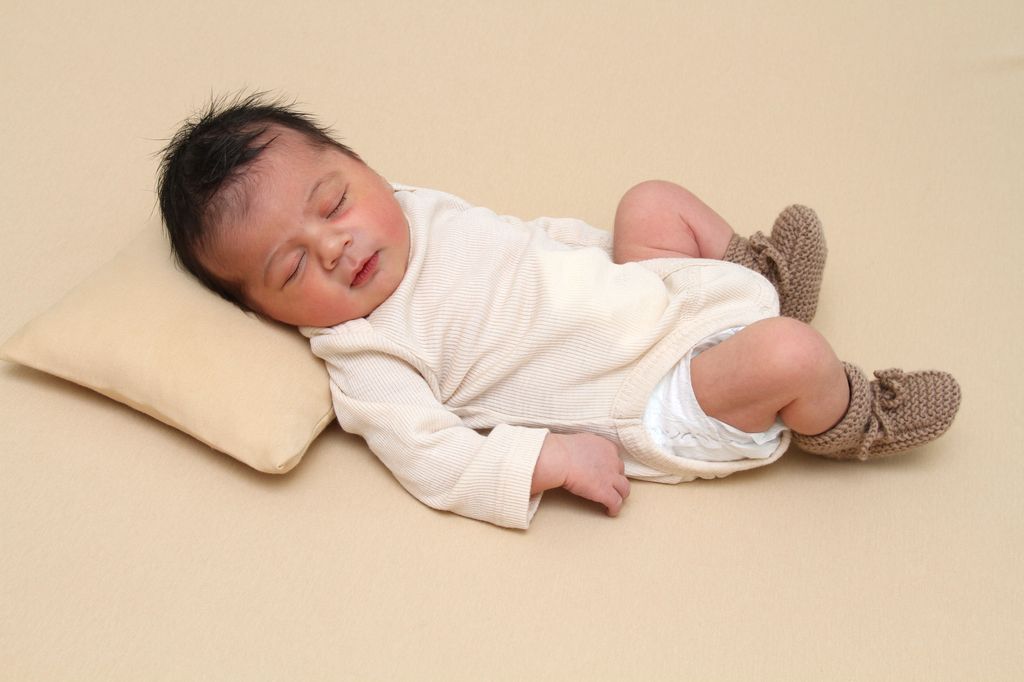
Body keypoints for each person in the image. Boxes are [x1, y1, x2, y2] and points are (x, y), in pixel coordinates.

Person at [158, 96, 961, 529]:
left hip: (641, 298)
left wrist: (605, 256)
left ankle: (755, 281)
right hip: (651, 392)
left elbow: (524, 250)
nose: (335, 246)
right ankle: (852, 413)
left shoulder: (409, 210)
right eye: (293, 267)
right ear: (265, 312)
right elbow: (436, 461)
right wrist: (550, 460)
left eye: (333, 202)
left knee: (651, 200)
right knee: (788, 353)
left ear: (362, 166)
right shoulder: (364, 354)